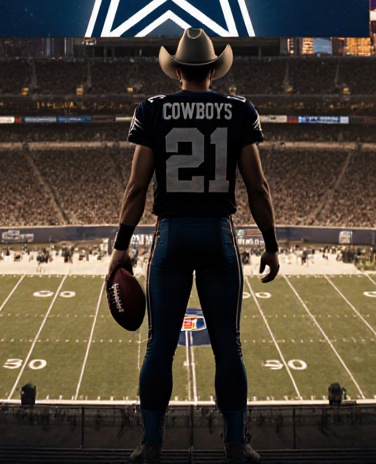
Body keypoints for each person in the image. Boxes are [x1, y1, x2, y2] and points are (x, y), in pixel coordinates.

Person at [108, 29, 280, 464]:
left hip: (172, 235)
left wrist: (120, 246)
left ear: (179, 69)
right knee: (228, 344)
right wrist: (272, 244)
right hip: (219, 234)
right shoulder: (239, 110)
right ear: (212, 70)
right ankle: (235, 444)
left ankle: (150, 443)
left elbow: (136, 187)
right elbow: (257, 187)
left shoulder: (152, 110)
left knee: (160, 343)